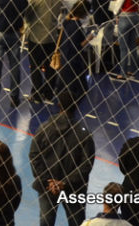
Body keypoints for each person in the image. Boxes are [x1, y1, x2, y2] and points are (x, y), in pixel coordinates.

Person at [29, 91, 95, 226]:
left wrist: (48, 181)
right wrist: (64, 183)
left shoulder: (44, 128)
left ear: (59, 105)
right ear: (76, 106)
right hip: (74, 189)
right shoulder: (84, 135)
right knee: (77, 222)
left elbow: (34, 156)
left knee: (46, 222)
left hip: (48, 187)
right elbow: (86, 165)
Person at [24, 0, 65, 103]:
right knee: (50, 66)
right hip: (52, 35)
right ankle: (48, 94)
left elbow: (28, 13)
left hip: (36, 35)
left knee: (35, 66)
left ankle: (36, 94)